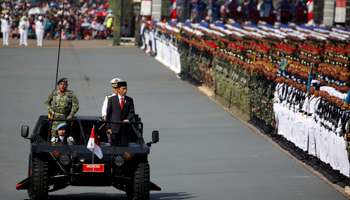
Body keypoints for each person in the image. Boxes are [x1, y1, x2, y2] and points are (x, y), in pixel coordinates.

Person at [106, 79, 135, 145]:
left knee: (125, 148)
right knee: (114, 147)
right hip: (114, 129)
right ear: (118, 89)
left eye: (126, 89)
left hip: (125, 129)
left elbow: (131, 113)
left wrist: (127, 119)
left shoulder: (129, 100)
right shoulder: (112, 100)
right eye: (123, 89)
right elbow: (109, 114)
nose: (125, 91)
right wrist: (108, 127)